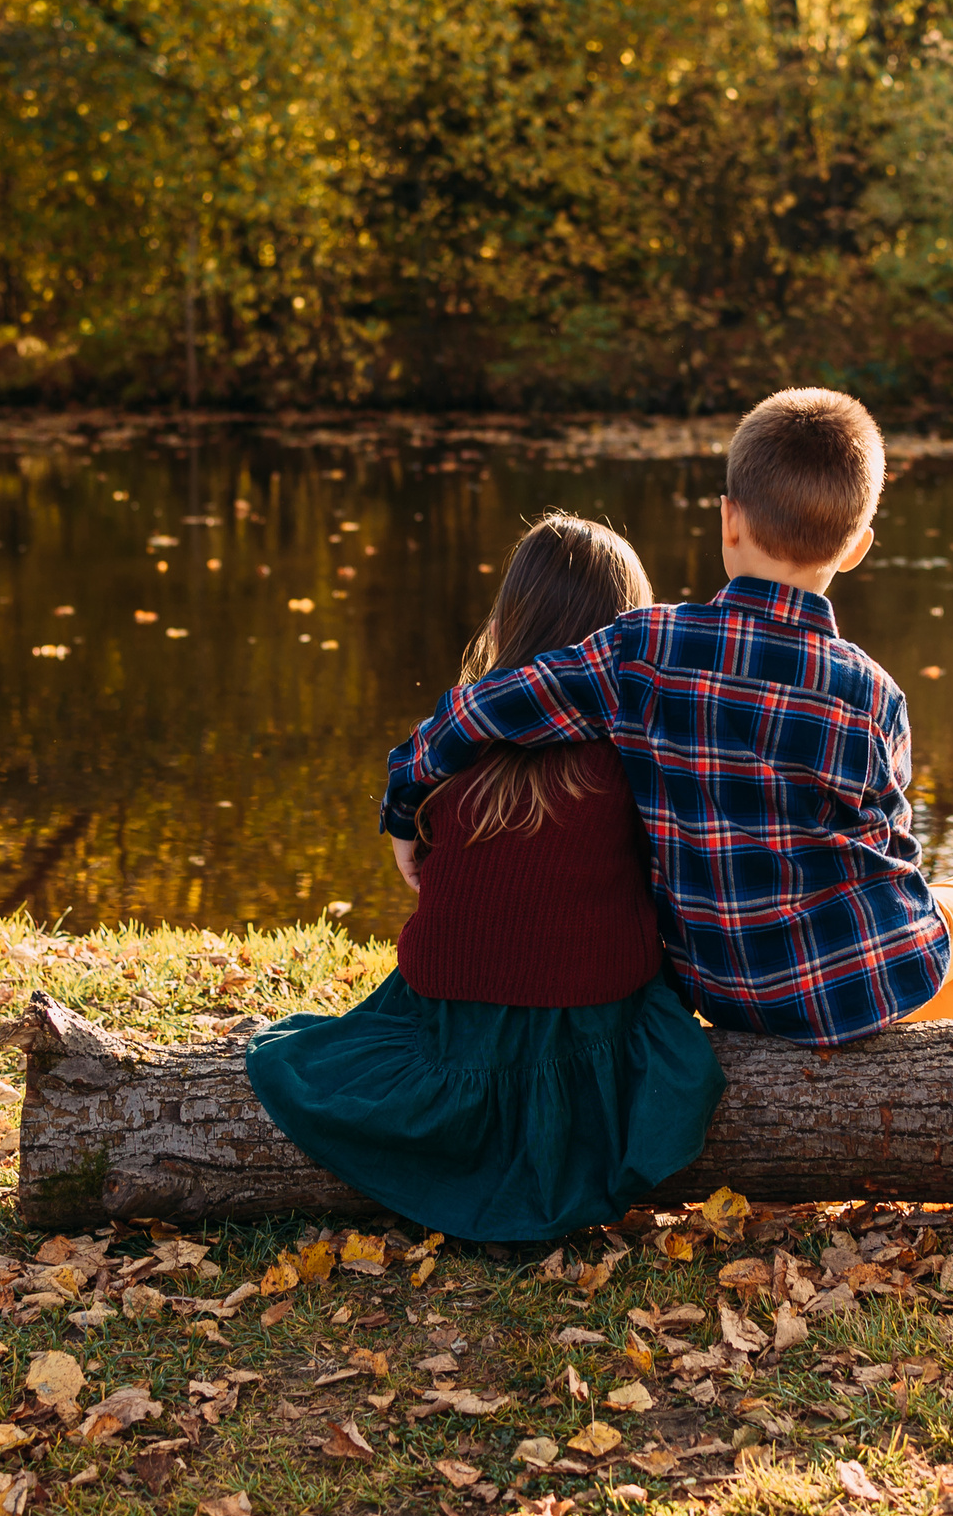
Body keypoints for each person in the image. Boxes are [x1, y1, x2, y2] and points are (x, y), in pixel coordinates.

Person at [381, 387, 953, 1048]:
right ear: (856, 547)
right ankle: (917, 1065)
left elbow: (482, 707)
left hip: (714, 987)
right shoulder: (872, 695)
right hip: (851, 986)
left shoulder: (644, 648)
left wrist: (406, 802)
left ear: (729, 521)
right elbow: (889, 853)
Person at [245, 514, 726, 1242]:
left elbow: (441, 884)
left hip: (454, 1033)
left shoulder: (454, 749)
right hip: (592, 1037)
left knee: (314, 1054)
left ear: (506, 625)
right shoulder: (633, 759)